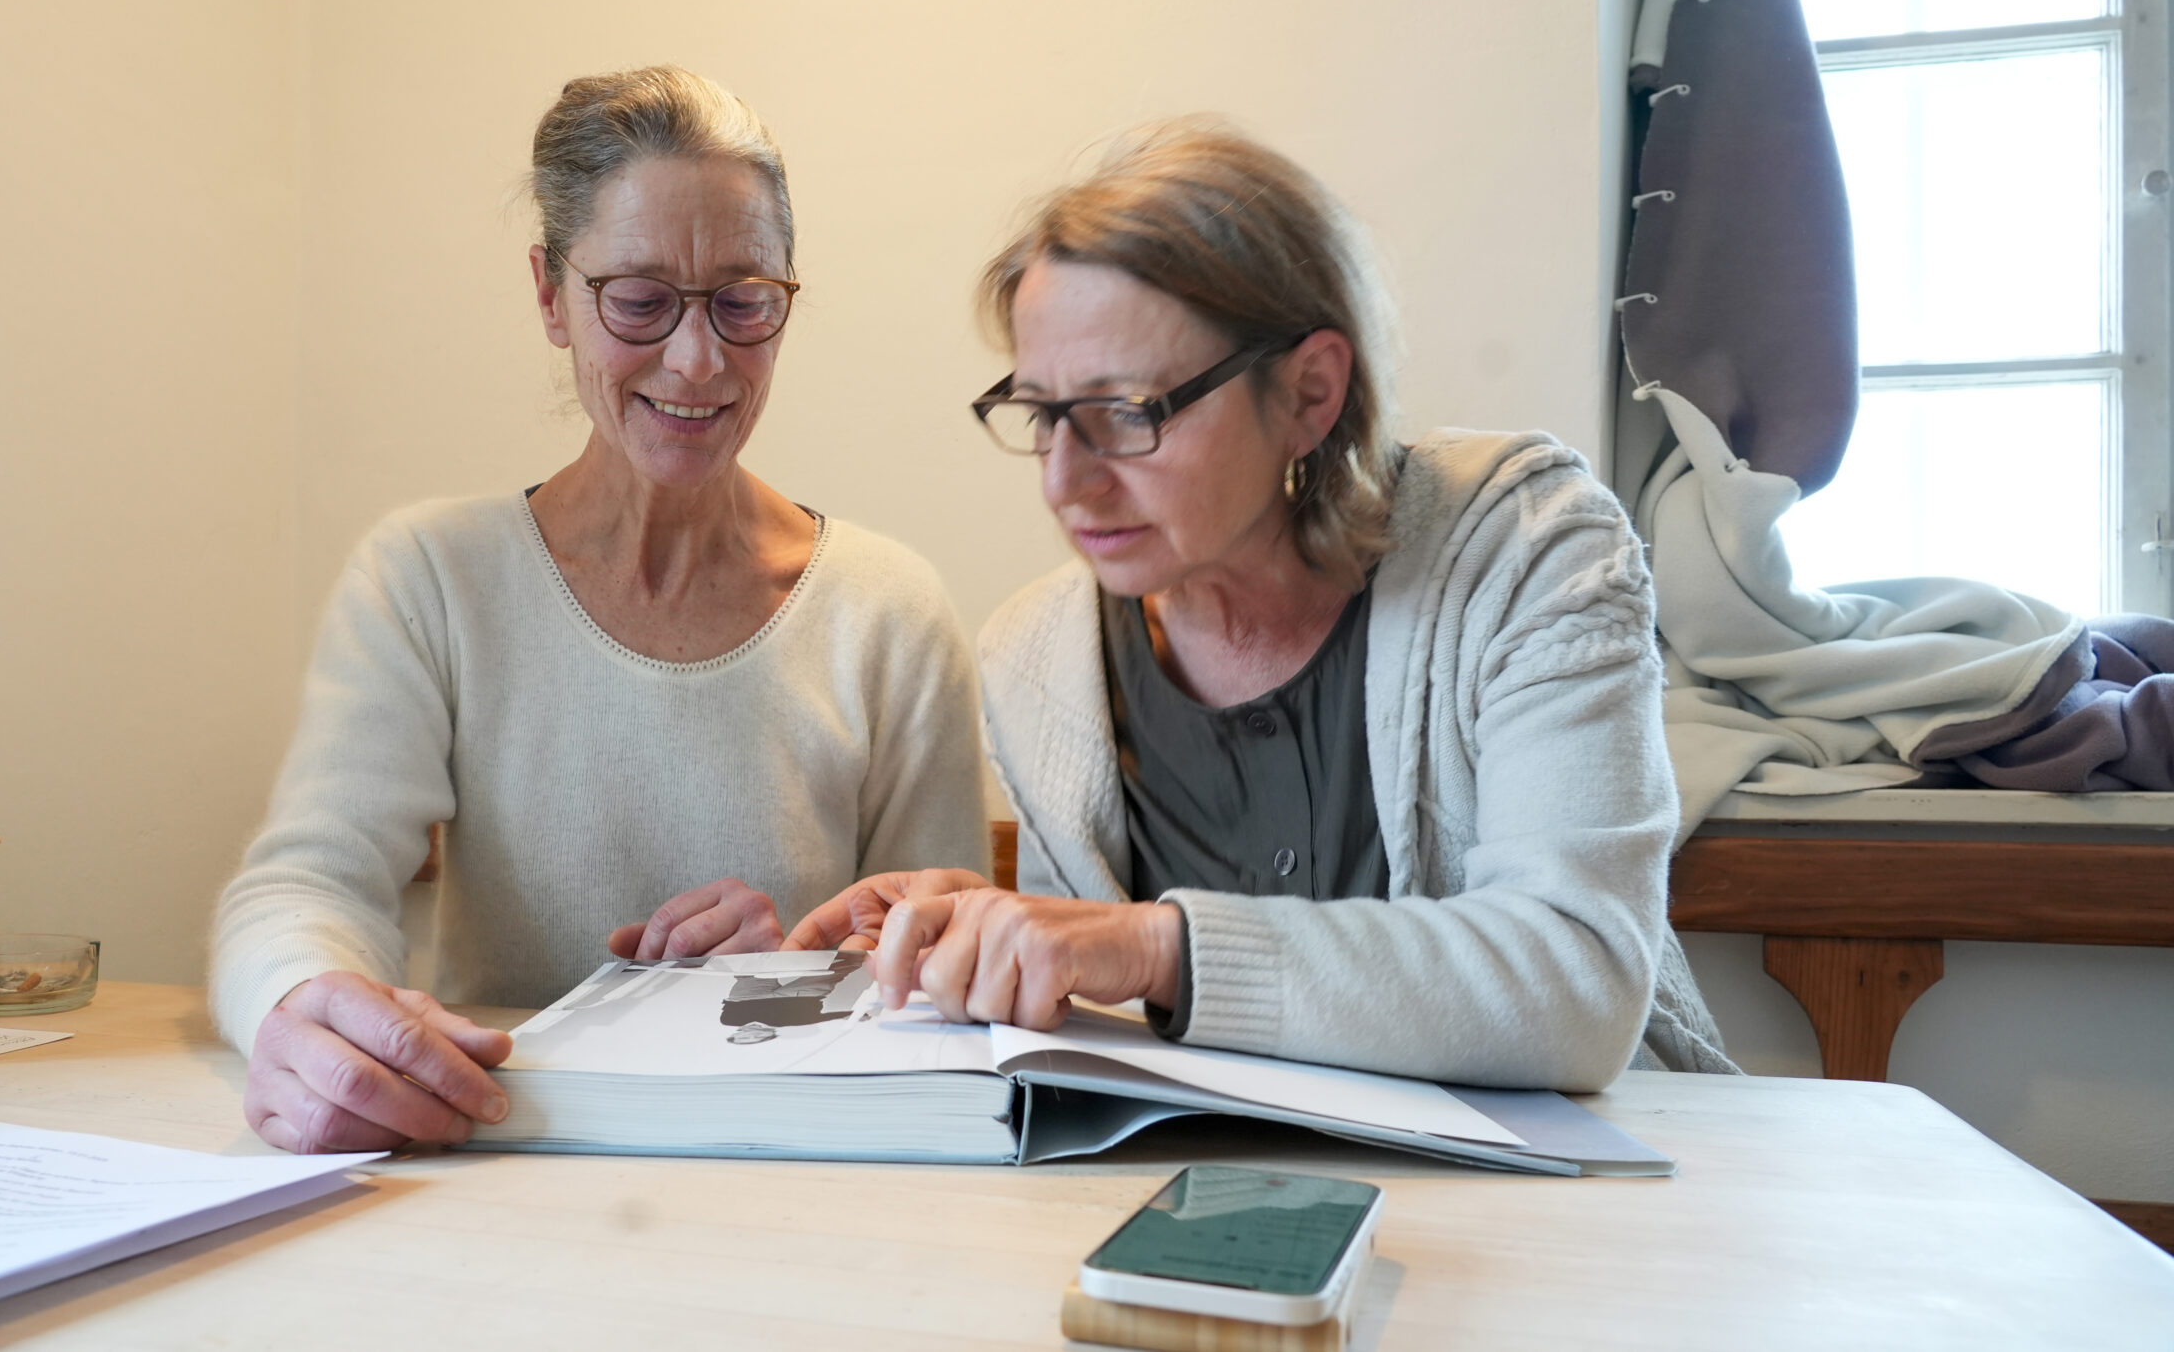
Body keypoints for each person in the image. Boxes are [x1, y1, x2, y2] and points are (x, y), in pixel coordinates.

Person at [791, 122, 1732, 1091]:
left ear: (1309, 393)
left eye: (1126, 411)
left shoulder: (1526, 549)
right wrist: (993, 938)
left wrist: (1153, 944)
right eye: (1042, 415)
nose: (1065, 482)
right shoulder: (1036, 657)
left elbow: (1576, 986)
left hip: (1603, 1171)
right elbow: (1104, 1042)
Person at [213, 67, 991, 1153]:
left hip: (788, 1169)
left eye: (742, 300)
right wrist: (306, 1003)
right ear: (550, 296)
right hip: (490, 1150)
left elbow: (944, 969)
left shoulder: (887, 613)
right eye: (638, 300)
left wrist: (791, 981)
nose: (698, 359)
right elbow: (305, 882)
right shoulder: (433, 578)